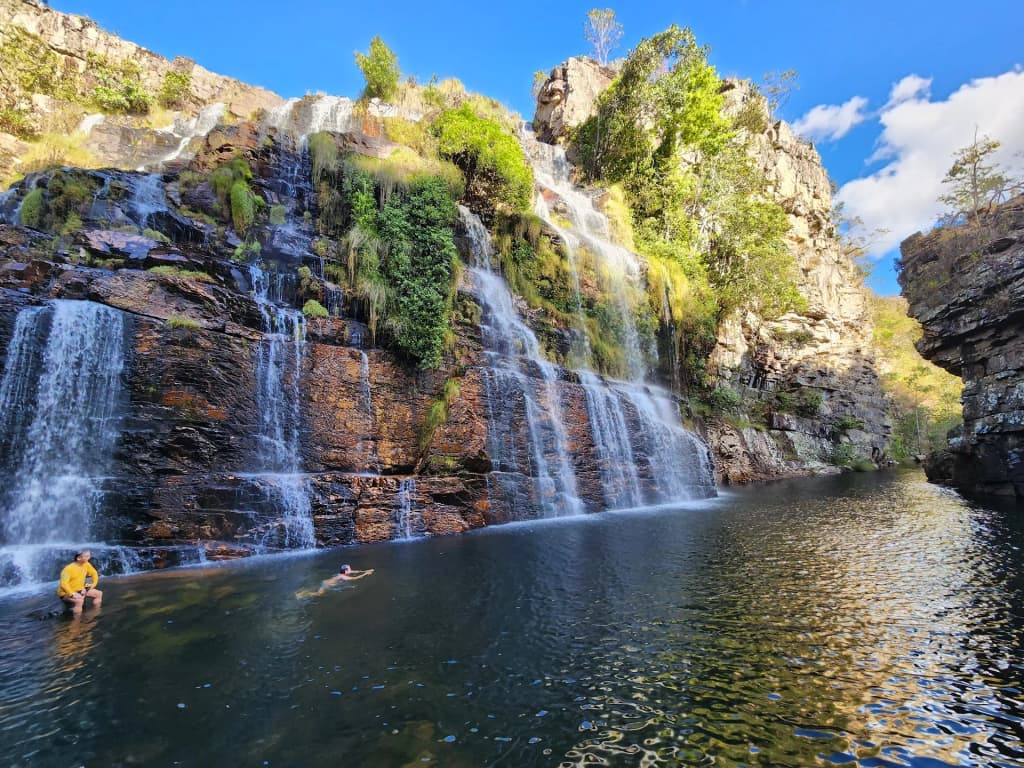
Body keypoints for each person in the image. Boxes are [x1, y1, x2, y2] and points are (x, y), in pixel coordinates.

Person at [57, 550, 102, 615]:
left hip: (80, 589)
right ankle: (77, 621)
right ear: (78, 558)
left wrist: (93, 584)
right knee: (79, 601)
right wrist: (72, 594)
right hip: (65, 593)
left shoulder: (86, 564)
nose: (89, 558)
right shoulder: (67, 569)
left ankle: (95, 613)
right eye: (86, 556)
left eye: (89, 555)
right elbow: (63, 584)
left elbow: (94, 573)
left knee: (99, 594)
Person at [295, 564, 374, 599]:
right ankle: (302, 595)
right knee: (319, 594)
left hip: (325, 582)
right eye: (349, 569)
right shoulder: (343, 576)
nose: (351, 570)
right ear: (346, 571)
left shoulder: (341, 574)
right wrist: (366, 574)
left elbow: (354, 572)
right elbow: (355, 578)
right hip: (327, 585)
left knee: (316, 589)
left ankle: (302, 593)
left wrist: (365, 571)